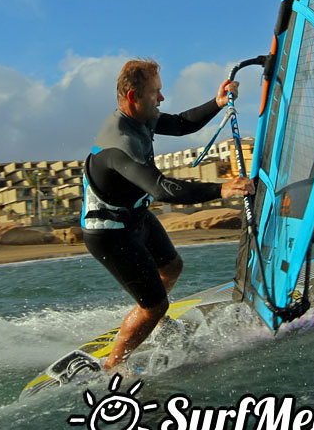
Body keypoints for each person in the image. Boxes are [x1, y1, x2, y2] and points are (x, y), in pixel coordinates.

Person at [81, 58, 254, 373]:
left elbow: (180, 124)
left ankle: (152, 320)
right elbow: (161, 188)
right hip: (108, 231)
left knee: (172, 266)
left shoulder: (142, 118)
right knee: (156, 305)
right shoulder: (119, 142)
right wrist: (221, 189)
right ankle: (112, 368)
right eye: (156, 93)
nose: (161, 99)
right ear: (134, 96)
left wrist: (216, 103)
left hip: (134, 215)